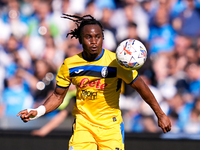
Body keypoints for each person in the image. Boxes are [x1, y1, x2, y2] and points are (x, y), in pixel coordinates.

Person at [17, 14, 171, 150]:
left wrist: (160, 114)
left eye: (98, 36)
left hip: (111, 127)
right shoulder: (70, 65)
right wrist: (37, 112)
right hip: (83, 127)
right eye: (89, 37)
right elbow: (58, 96)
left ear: (102, 38)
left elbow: (141, 87)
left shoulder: (116, 63)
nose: (94, 41)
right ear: (80, 39)